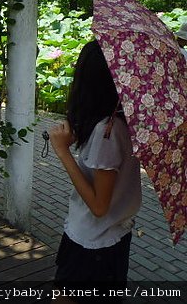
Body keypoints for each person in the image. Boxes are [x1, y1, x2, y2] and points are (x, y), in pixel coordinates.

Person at [48, 40, 142, 302]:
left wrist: (62, 151)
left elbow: (99, 206)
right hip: (111, 236)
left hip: (94, 241)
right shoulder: (120, 120)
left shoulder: (106, 132)